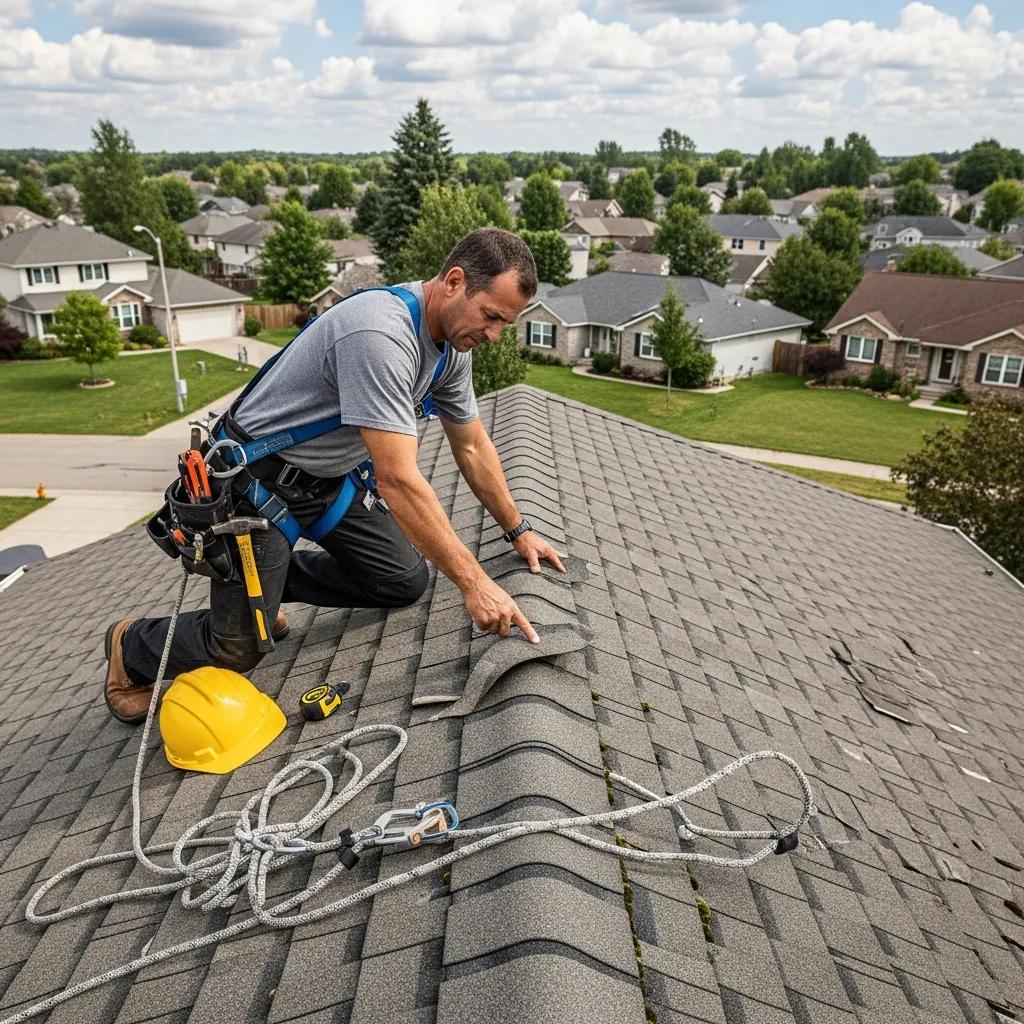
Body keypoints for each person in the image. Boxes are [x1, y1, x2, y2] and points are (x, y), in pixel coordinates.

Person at [103, 228, 565, 723]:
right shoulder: (380, 335)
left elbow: (472, 444)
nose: (494, 335)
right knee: (236, 651)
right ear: (454, 282)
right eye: (491, 316)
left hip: (325, 483)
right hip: (257, 487)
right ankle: (132, 647)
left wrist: (518, 530)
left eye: (505, 324)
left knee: (404, 580)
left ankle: (266, 586)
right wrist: (475, 585)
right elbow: (397, 479)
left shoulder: (453, 349)